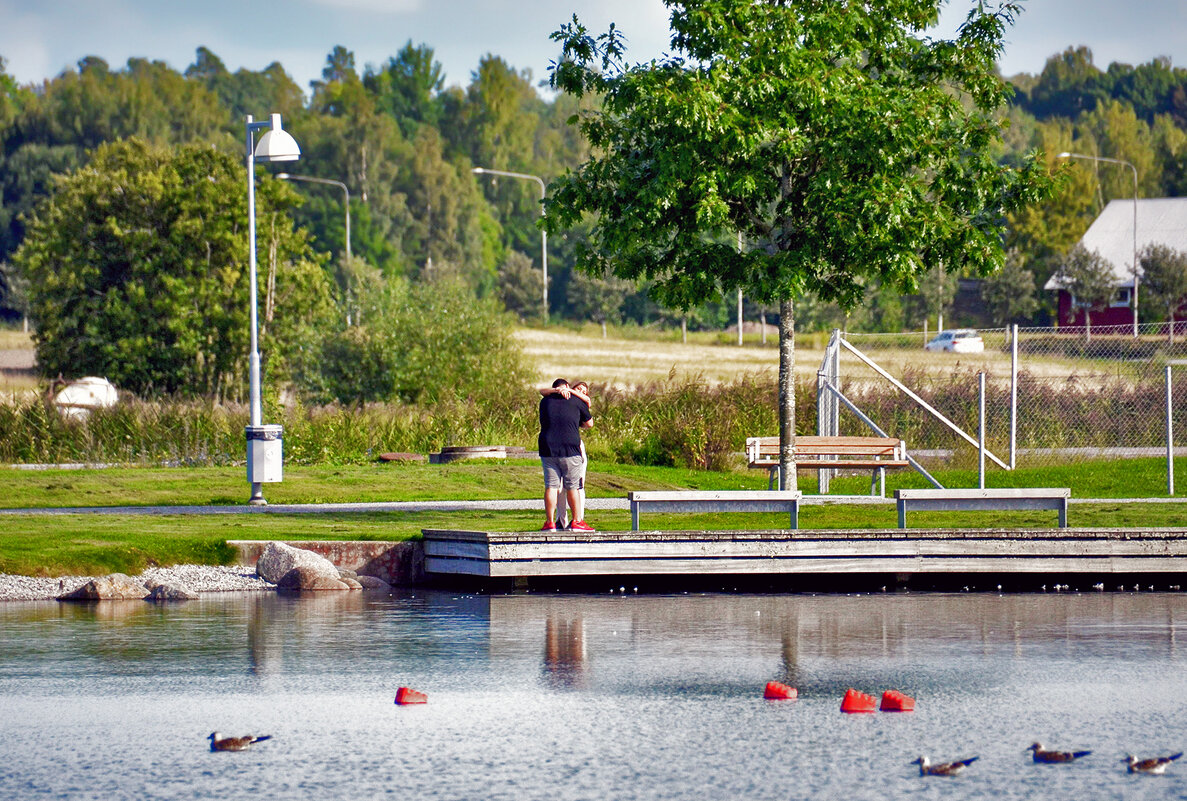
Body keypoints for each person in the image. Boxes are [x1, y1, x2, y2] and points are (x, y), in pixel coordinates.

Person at [537, 378, 594, 531]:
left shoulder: (545, 401)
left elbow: (542, 392)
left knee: (551, 486)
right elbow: (589, 424)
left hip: (548, 447)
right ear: (568, 387)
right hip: (570, 448)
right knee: (573, 486)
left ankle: (550, 522)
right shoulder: (577, 401)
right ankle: (577, 521)